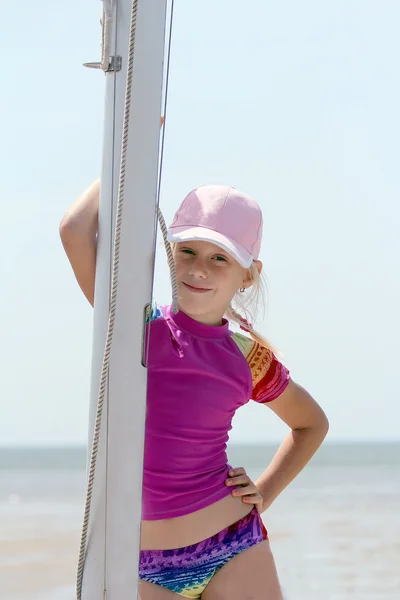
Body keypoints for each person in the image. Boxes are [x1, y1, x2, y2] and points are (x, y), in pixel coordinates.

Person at [60, 171, 329, 599]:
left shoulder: (248, 357)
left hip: (233, 543)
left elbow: (311, 424)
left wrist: (264, 491)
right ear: (168, 253)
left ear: (248, 275)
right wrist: (126, 154)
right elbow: (74, 230)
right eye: (187, 250)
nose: (199, 268)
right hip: (144, 562)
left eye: (220, 258)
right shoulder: (136, 329)